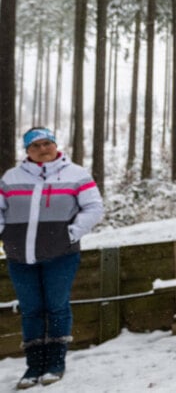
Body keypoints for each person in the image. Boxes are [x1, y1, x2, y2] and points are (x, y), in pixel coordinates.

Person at [0, 127, 104, 389]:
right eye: (35, 146)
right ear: (27, 151)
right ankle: (34, 366)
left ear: (55, 145)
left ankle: (56, 363)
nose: (42, 149)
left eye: (47, 143)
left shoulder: (76, 175)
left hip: (61, 255)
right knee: (31, 310)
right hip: (20, 257)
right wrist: (5, 235)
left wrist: (71, 233)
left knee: (57, 306)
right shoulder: (11, 178)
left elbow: (94, 208)